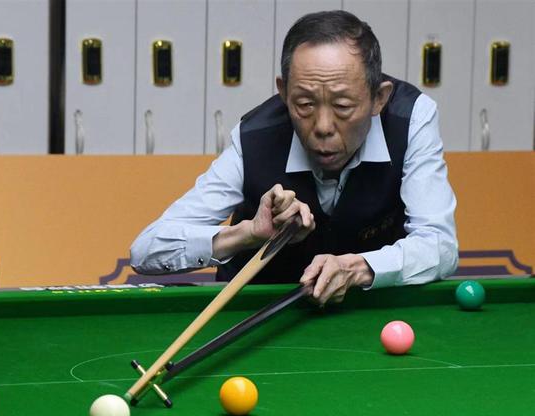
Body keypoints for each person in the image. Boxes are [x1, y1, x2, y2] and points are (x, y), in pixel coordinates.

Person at [130, 10, 458, 305]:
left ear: (379, 98)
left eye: (343, 106)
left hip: (369, 317)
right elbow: (146, 249)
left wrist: (358, 267)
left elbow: (440, 245)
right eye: (304, 105)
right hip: (254, 322)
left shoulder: (409, 119)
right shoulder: (256, 136)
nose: (323, 126)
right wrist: (249, 233)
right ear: (284, 92)